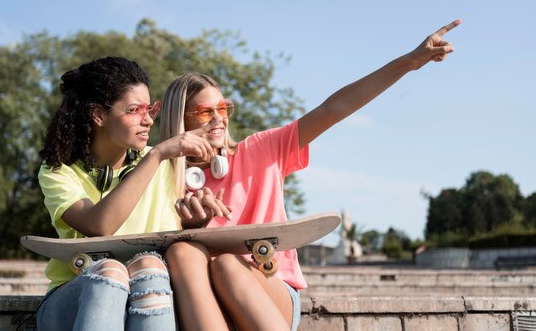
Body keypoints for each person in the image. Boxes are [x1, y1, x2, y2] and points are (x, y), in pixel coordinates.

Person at [159, 19, 462, 331]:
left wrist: (409, 61)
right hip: (205, 307)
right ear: (180, 120)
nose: (218, 120)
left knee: (226, 265)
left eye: (223, 109)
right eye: (206, 113)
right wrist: (190, 228)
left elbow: (334, 108)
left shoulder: (261, 149)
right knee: (185, 253)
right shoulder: (162, 178)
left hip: (270, 293)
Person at [35, 56, 218, 331]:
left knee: (150, 265)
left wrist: (196, 220)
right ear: (98, 115)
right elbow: (100, 226)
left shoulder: (161, 165)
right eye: (134, 110)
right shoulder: (58, 172)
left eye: (150, 109)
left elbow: (172, 236)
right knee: (111, 270)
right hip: (75, 300)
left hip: (148, 293)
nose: (147, 121)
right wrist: (155, 155)